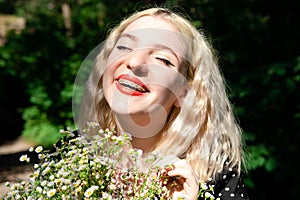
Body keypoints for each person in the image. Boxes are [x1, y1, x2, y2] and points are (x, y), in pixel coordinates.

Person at [76, 7, 249, 200]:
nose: (135, 62)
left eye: (162, 59)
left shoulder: (215, 180)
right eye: (124, 47)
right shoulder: (73, 157)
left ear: (184, 92)